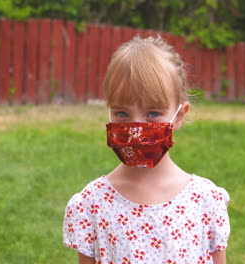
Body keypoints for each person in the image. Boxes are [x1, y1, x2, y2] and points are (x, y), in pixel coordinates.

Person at [63, 35, 230, 264]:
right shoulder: (92, 204)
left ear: (179, 116)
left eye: (152, 114)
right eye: (122, 114)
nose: (136, 128)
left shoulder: (205, 201)